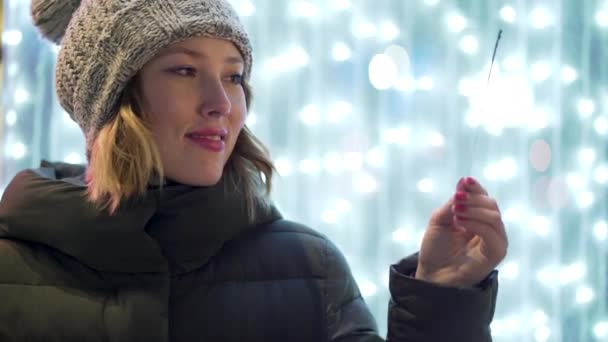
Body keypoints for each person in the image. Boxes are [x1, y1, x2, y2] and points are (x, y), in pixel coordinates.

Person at [0, 0, 508, 341]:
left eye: (234, 75)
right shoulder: (11, 269)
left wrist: (441, 298)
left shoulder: (309, 269)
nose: (222, 102)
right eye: (184, 69)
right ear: (112, 99)